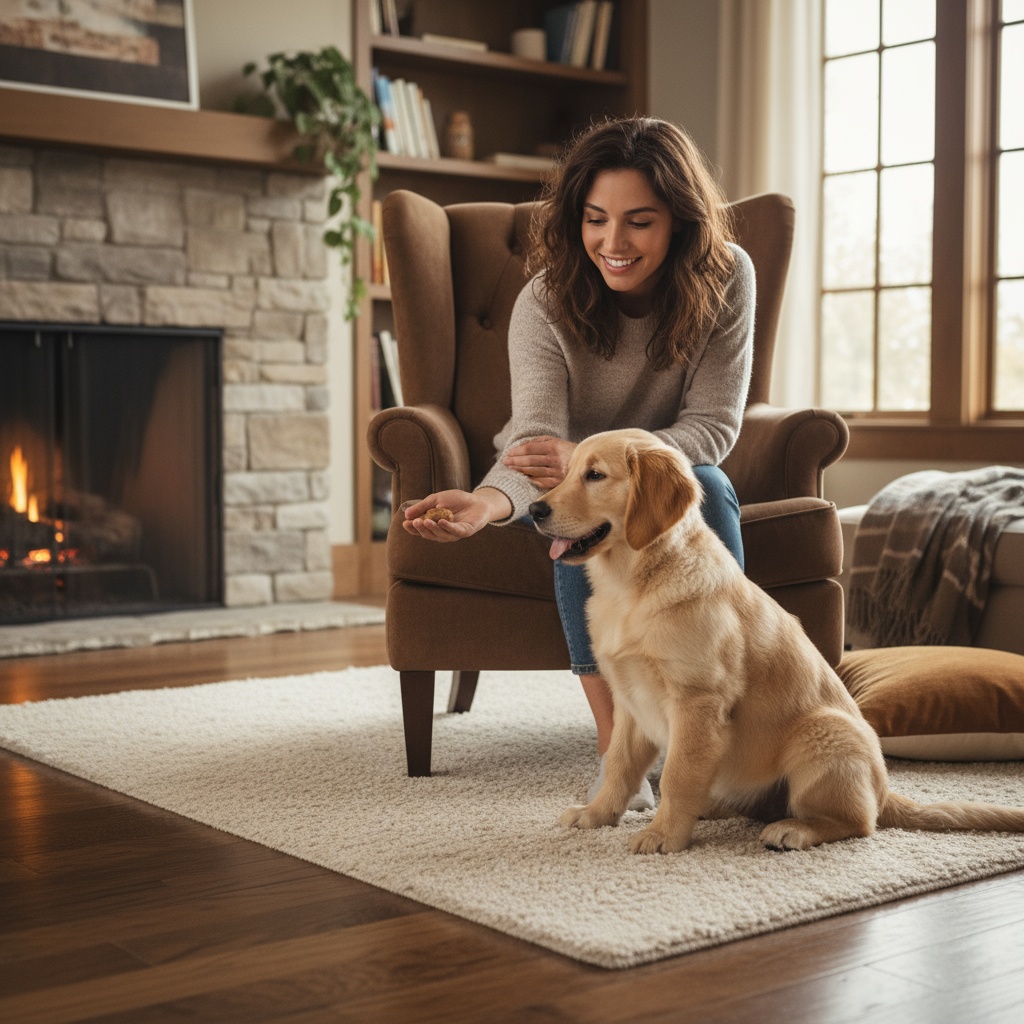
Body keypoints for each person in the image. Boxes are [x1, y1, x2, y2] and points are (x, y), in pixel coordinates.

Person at [402, 116, 755, 807]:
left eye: (639, 222)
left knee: (705, 485)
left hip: (669, 480)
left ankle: (721, 721)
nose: (612, 243)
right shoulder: (546, 298)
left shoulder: (726, 278)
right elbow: (533, 445)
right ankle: (618, 750)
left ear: (680, 223)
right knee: (580, 514)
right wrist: (484, 504)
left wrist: (607, 461)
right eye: (596, 219)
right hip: (571, 494)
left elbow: (711, 430)